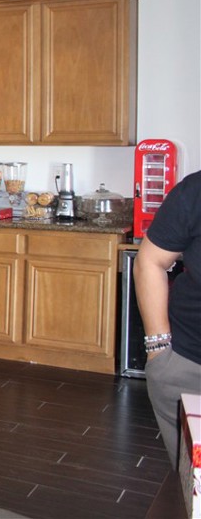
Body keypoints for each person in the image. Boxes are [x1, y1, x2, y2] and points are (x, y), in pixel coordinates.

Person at [134, 168, 201, 466]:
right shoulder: (196, 190)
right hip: (188, 368)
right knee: (192, 490)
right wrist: (159, 351)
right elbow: (150, 260)